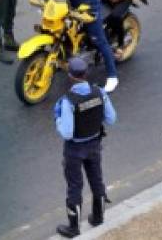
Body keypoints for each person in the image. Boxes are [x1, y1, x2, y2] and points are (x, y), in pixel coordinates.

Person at [54, 57, 116, 237]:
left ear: (70, 76)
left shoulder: (68, 101)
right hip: (94, 144)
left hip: (74, 149)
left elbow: (67, 132)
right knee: (97, 179)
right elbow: (111, 118)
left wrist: (58, 119)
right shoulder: (100, 93)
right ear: (86, 73)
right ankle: (98, 217)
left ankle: (73, 227)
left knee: (74, 186)